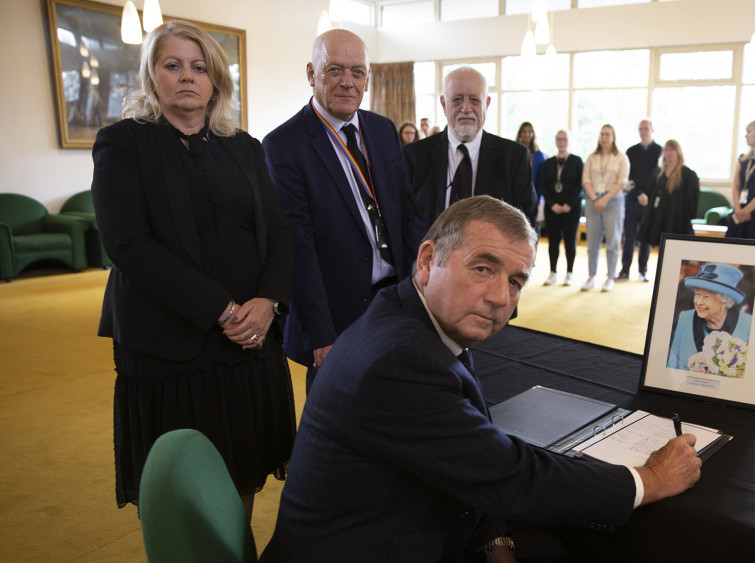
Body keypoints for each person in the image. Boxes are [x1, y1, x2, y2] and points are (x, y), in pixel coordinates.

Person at [259, 196, 702, 562]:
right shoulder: (401, 360)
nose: (499, 298)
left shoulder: (417, 318)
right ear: (429, 260)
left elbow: (474, 452)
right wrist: (649, 478)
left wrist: (497, 539)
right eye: (482, 269)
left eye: (515, 282)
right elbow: (513, 477)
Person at [90, 20, 296, 519]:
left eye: (199, 67)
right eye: (173, 65)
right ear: (152, 76)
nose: (187, 77)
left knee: (242, 466)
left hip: (250, 341)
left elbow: (278, 233)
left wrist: (267, 304)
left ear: (216, 80)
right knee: (181, 484)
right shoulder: (123, 143)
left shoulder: (244, 146)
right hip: (170, 345)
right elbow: (128, 245)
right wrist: (223, 311)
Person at [263, 29, 423, 393]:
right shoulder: (283, 146)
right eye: (334, 70)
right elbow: (298, 247)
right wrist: (320, 333)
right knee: (340, 415)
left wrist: (424, 285)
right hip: (337, 310)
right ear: (311, 74)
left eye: (357, 72)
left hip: (395, 295)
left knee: (399, 398)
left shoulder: (382, 130)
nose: (347, 83)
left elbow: (407, 213)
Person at [404, 66, 537, 231]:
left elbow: (526, 223)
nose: (466, 108)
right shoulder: (414, 156)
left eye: (474, 100)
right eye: (457, 99)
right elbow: (404, 218)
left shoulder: (514, 158)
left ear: (487, 104)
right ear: (444, 104)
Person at [667, 263, 752, 370]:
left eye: (706, 297)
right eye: (697, 294)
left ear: (725, 301)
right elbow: (672, 362)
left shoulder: (748, 324)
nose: (698, 302)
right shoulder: (685, 318)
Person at [581, 124, 630, 293]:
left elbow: (622, 182)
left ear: (614, 137)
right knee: (592, 242)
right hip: (593, 200)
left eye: (608, 134)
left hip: (613, 201)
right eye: (602, 134)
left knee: (612, 241)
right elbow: (585, 180)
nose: (604, 137)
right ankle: (591, 276)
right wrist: (596, 199)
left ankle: (610, 277)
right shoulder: (592, 157)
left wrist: (605, 199)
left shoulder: (621, 157)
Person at [538, 130, 584, 286]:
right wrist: (553, 204)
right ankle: (553, 272)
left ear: (569, 141)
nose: (562, 142)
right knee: (553, 241)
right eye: (559, 139)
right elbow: (543, 185)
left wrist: (568, 205)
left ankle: (569, 273)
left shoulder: (577, 161)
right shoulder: (548, 163)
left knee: (570, 241)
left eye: (564, 139)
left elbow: (580, 185)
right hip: (553, 208)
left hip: (571, 208)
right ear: (555, 141)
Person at [619, 119, 662, 282]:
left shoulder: (660, 151)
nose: (643, 131)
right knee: (628, 237)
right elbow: (627, 177)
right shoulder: (631, 151)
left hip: (649, 202)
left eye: (646, 128)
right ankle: (624, 270)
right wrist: (638, 193)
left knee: (646, 237)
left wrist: (647, 196)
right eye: (640, 129)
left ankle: (643, 270)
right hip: (632, 200)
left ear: (652, 130)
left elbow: (658, 177)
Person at [637, 139, 701, 248]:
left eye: (672, 149)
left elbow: (693, 197)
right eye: (666, 150)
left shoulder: (687, 174)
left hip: (677, 220)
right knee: (659, 247)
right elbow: (650, 191)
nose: (669, 153)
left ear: (678, 152)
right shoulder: (658, 172)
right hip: (659, 216)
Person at [516, 121, 547, 216]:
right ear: (520, 134)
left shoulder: (539, 155)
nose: (527, 134)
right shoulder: (514, 151)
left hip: (534, 195)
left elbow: (541, 179)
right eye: (524, 131)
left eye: (530, 132)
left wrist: (537, 199)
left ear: (533, 134)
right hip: (517, 194)